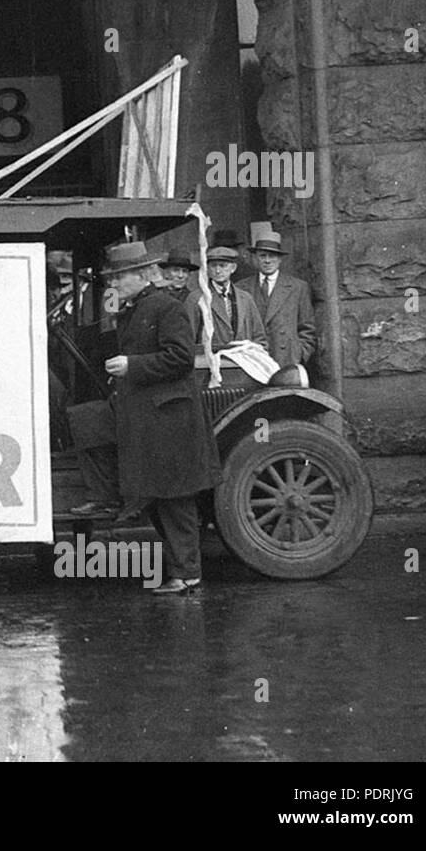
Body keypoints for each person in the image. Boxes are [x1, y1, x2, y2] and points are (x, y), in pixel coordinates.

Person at [99, 242, 220, 594]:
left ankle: (188, 575)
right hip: (153, 419)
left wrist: (131, 365)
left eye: (120, 277)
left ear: (144, 275)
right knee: (159, 498)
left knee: (175, 500)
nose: (115, 284)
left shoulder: (166, 307)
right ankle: (181, 572)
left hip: (170, 421)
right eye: (114, 277)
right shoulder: (137, 307)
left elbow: (180, 358)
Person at [237, 230, 316, 368]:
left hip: (286, 361)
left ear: (280, 259)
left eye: (272, 256)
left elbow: (307, 328)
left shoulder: (297, 287)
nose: (267, 260)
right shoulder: (242, 288)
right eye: (262, 256)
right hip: (253, 361)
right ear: (255, 258)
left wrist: (300, 354)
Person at [185, 245, 267, 353]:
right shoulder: (197, 299)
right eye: (213, 266)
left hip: (242, 363)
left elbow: (260, 338)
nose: (218, 271)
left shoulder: (245, 299)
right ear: (208, 269)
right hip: (210, 363)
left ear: (233, 268)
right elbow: (187, 340)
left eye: (223, 266)